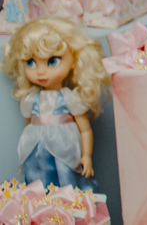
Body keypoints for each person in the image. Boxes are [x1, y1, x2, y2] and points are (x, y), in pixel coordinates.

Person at [1, 17, 110, 191]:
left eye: (52, 62)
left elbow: (85, 129)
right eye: (31, 62)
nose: (41, 71)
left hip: (64, 149)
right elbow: (28, 126)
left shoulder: (69, 98)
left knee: (66, 179)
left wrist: (87, 156)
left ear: (74, 59)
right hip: (37, 152)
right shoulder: (30, 98)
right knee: (37, 183)